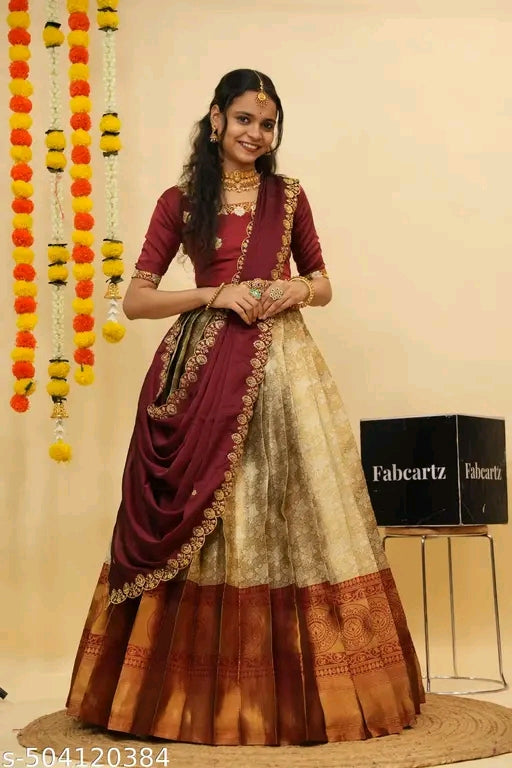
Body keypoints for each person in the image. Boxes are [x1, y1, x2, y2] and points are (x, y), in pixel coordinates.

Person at [66, 68, 424, 746]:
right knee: (211, 511)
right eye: (244, 121)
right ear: (215, 121)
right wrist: (213, 295)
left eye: (268, 124)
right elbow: (137, 299)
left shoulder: (289, 196)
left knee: (295, 506)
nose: (256, 134)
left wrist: (296, 293)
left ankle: (297, 693)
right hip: (205, 368)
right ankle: (183, 696)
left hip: (285, 368)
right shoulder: (182, 202)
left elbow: (323, 283)